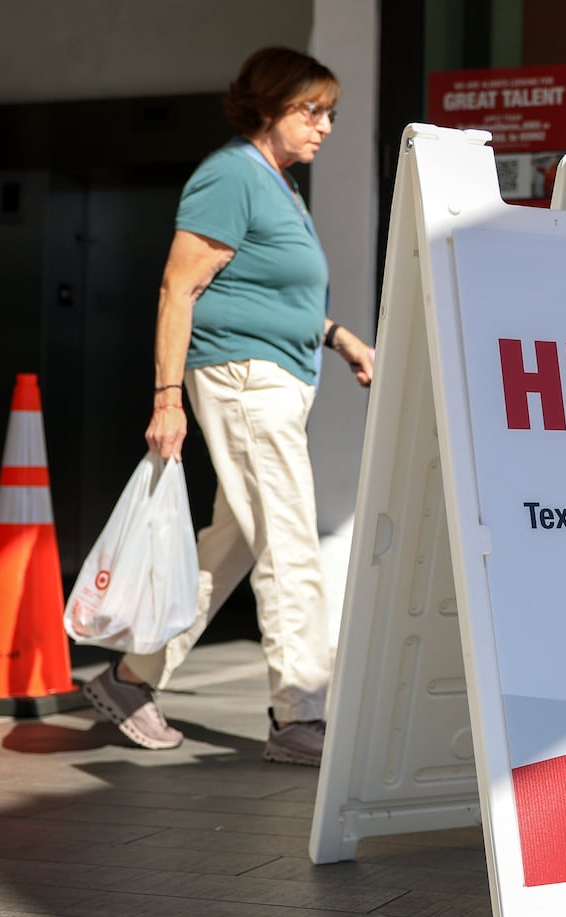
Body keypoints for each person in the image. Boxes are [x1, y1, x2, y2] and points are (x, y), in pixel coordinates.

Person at [81, 47, 374, 766]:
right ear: (270, 106)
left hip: (274, 377)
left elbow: (272, 292)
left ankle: (132, 675)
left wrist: (337, 337)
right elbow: (178, 289)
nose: (326, 126)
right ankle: (298, 715)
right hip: (242, 382)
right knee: (291, 545)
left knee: (234, 543)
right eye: (313, 110)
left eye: (331, 113)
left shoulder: (278, 184)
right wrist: (165, 398)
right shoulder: (229, 176)